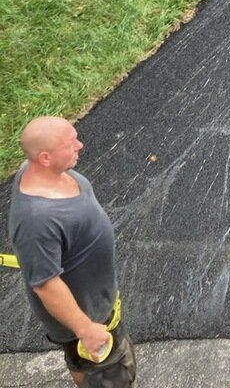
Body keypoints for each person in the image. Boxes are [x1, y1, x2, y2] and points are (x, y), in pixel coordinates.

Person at [8, 117, 136, 387]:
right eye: (70, 144)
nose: (80, 145)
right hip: (85, 316)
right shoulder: (36, 221)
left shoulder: (33, 170)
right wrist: (84, 329)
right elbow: (45, 284)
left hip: (98, 299)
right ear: (44, 158)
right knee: (106, 375)